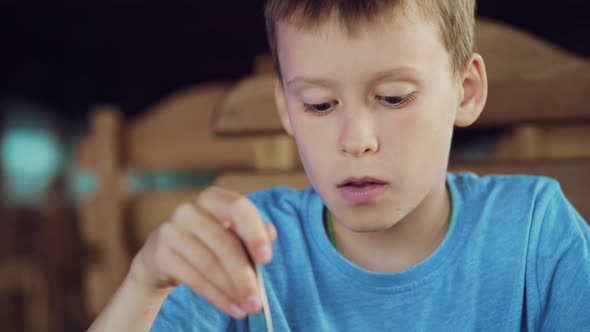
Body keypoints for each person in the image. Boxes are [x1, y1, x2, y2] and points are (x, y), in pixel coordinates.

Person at [89, 0, 590, 331]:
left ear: (466, 91)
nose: (356, 141)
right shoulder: (244, 253)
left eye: (394, 98)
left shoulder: (535, 232)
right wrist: (144, 284)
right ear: (286, 108)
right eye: (319, 105)